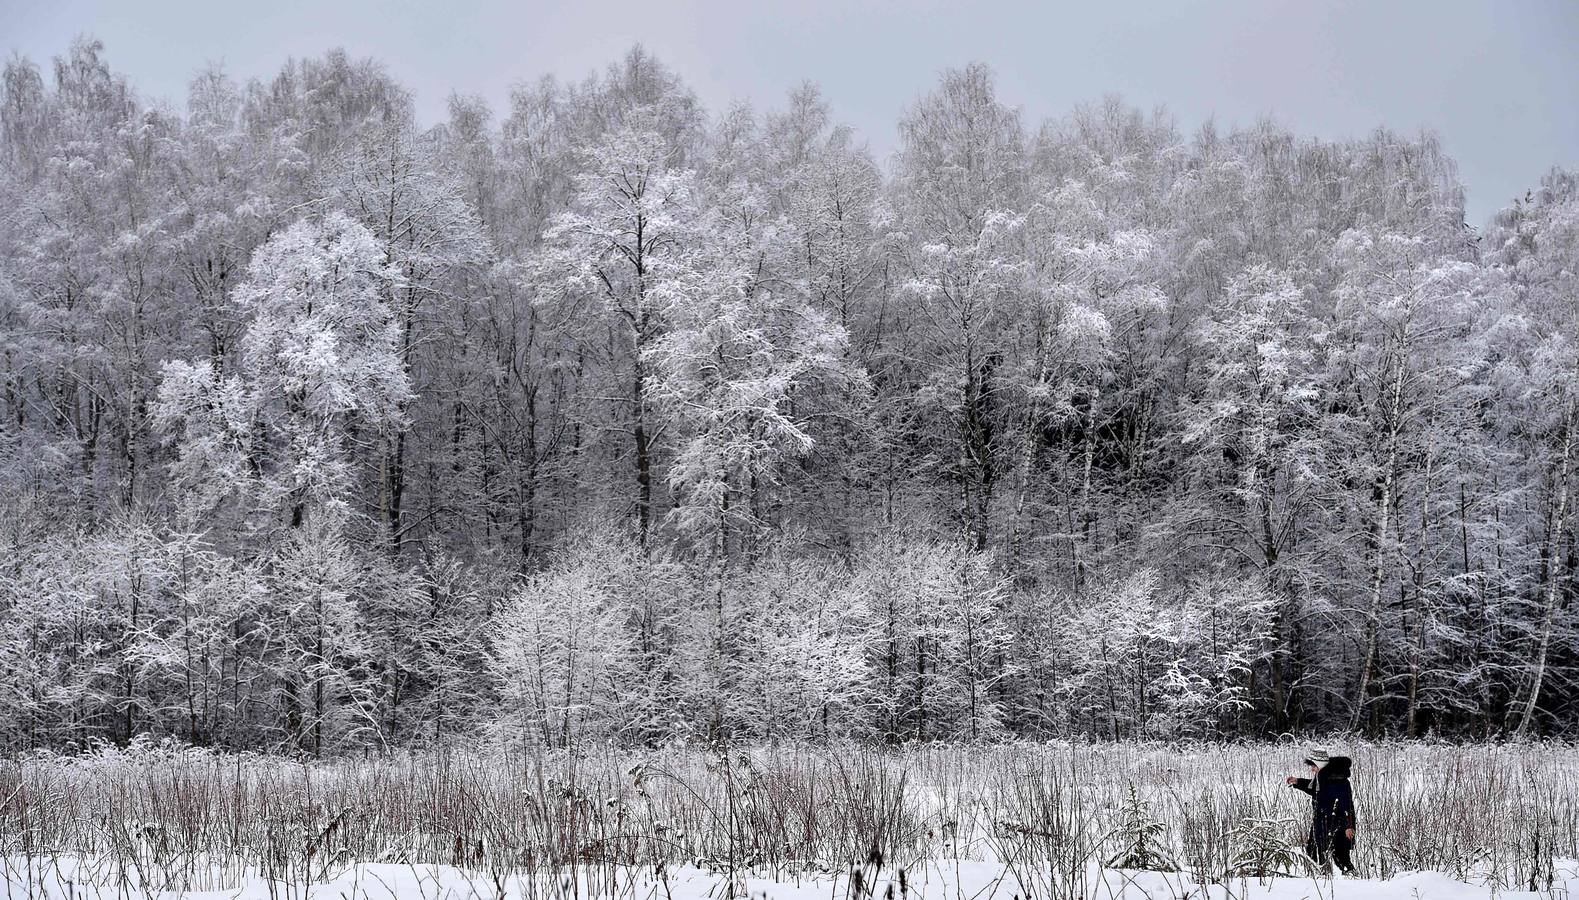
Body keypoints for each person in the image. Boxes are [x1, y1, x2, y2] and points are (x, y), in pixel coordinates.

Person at [1284, 748, 1356, 875]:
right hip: (1322, 820)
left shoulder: (1337, 779)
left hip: (1337, 822)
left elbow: (1346, 805)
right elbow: (1315, 790)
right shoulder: (1322, 777)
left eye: (1313, 765)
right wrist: (1297, 781)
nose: (1312, 769)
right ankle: (1322, 876)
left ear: (1320, 764)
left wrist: (1348, 826)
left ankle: (1352, 877)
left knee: (1340, 854)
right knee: (1313, 848)